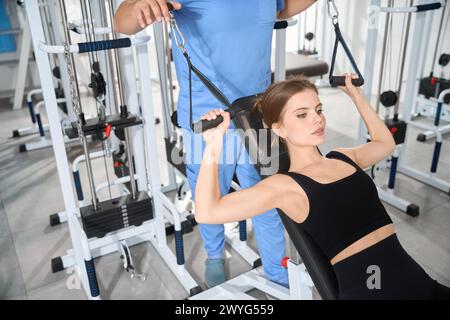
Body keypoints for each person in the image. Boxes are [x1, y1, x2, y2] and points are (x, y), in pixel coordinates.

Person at [114, 0, 317, 288]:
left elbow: (284, 8)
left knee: (270, 199)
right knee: (210, 198)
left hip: (258, 113)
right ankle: (213, 257)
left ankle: (277, 271)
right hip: (208, 120)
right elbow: (121, 22)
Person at [194, 74, 450, 299]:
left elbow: (385, 143)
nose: (317, 120)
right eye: (302, 115)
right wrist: (214, 144)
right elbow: (207, 212)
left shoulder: (343, 157)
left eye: (318, 110)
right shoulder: (285, 186)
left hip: (417, 280)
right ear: (279, 129)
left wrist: (357, 97)